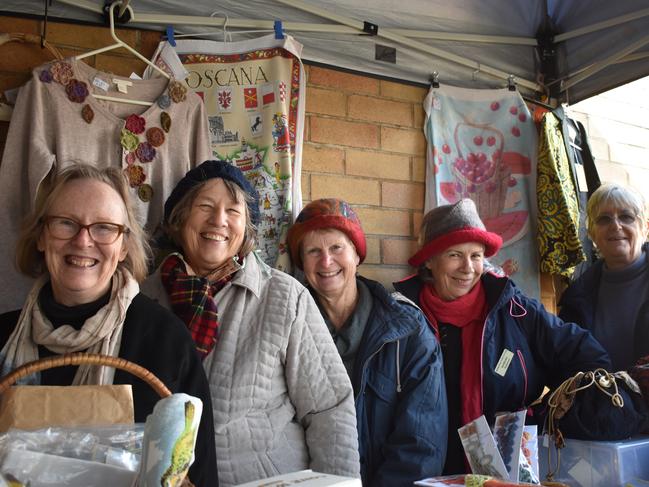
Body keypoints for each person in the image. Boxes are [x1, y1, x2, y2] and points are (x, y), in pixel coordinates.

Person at [141, 161, 360, 486]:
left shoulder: (284, 297)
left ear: (246, 227)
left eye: (233, 210)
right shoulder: (143, 299)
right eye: (205, 206)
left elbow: (329, 410)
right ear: (179, 218)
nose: (219, 220)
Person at [0, 165, 217, 486]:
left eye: (104, 228)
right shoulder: (3, 337)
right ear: (42, 237)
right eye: (65, 223)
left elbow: (197, 474)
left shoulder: (164, 340)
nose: (83, 240)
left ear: (124, 246)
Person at [393, 198, 611, 475]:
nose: (468, 267)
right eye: (454, 255)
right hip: (424, 473)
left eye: (475, 255)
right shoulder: (402, 317)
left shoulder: (515, 311)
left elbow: (590, 359)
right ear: (429, 262)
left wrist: (542, 416)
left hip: (505, 472)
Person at [286, 198, 447, 486]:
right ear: (302, 264)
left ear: (357, 256)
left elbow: (422, 442)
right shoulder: (289, 330)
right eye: (313, 251)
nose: (326, 262)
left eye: (337, 248)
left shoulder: (407, 330)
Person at [559, 183, 649, 370]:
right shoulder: (575, 297)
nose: (616, 225)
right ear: (591, 233)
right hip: (604, 398)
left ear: (645, 228)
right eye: (604, 219)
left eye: (626, 217)